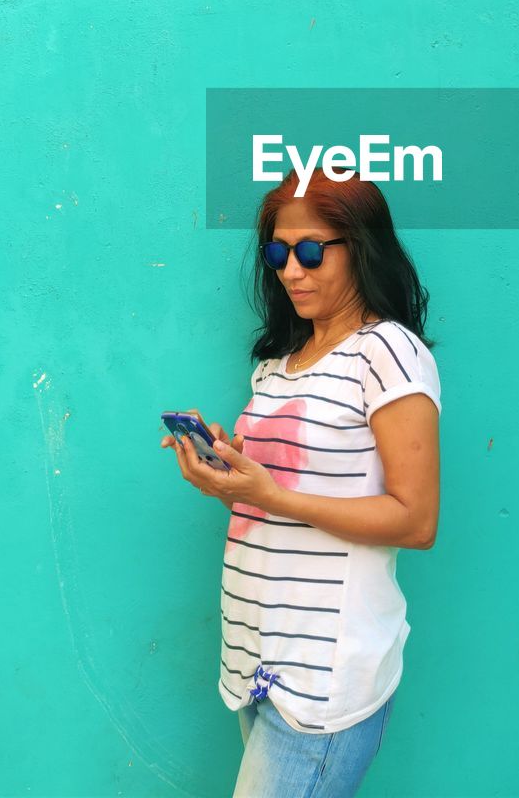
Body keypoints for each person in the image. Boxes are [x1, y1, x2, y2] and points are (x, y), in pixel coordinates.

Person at [161, 166, 442, 797]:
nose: (292, 271)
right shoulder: (277, 367)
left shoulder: (389, 353)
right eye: (277, 253)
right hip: (256, 656)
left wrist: (270, 495)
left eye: (311, 251)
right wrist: (224, 462)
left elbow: (417, 520)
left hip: (323, 677)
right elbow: (279, 480)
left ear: (361, 248)